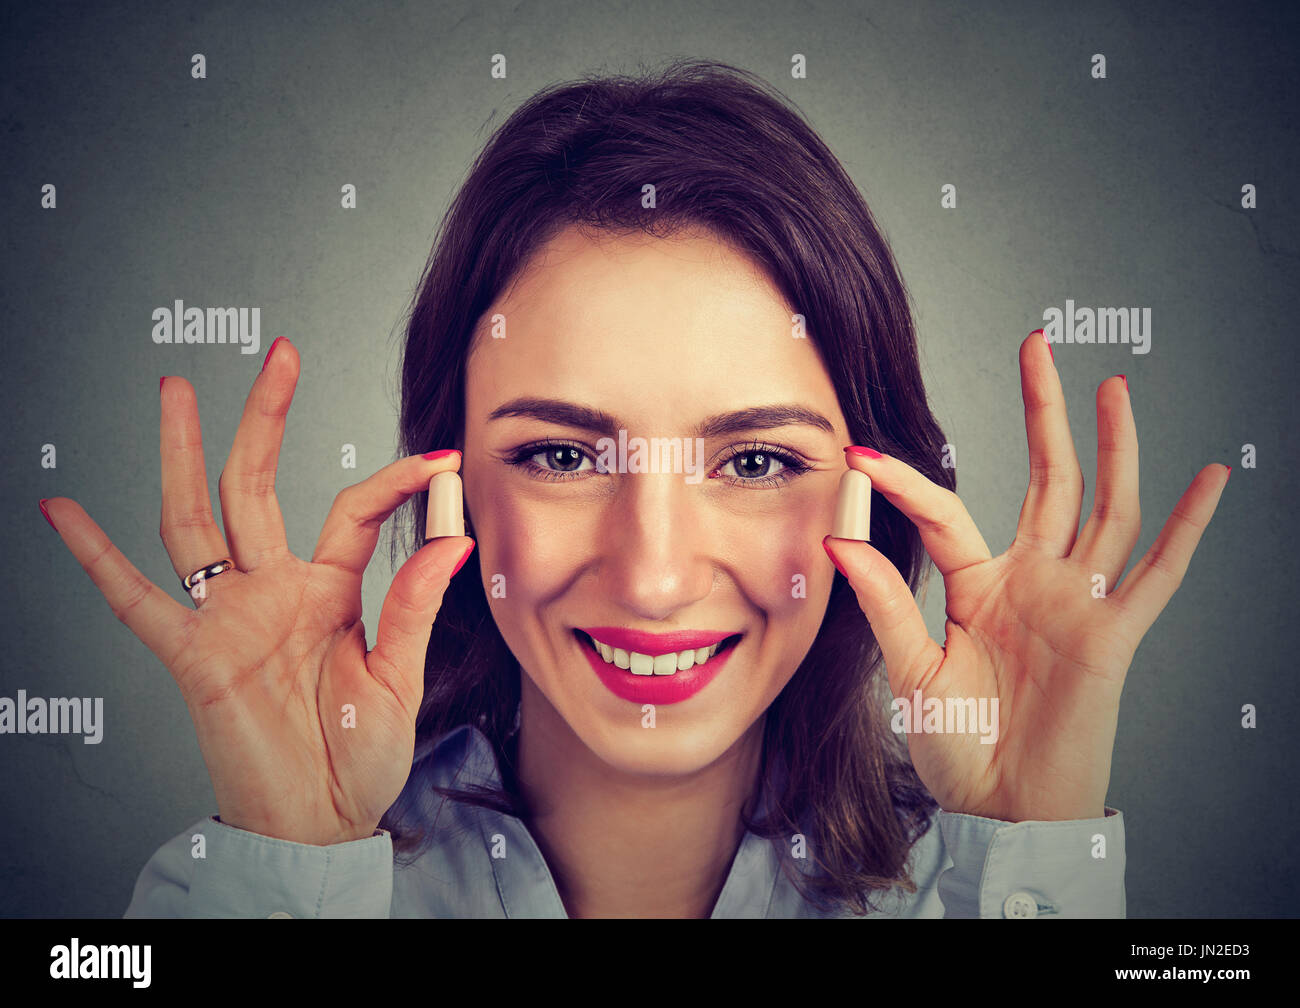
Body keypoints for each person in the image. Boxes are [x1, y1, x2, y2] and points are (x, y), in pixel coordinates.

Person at [41, 59, 1227, 918]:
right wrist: (286, 857)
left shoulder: (984, 888)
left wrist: (1028, 842)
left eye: (754, 462)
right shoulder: (280, 875)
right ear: (448, 482)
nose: (654, 575)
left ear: (872, 493)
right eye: (562, 456)